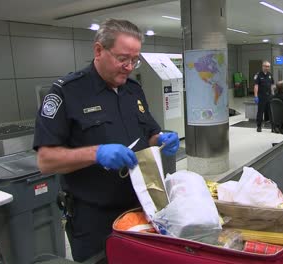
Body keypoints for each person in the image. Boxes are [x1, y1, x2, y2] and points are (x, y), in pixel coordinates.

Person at [33, 19, 180, 261]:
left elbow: (150, 134)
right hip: (93, 218)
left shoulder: (133, 90)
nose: (129, 67)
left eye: (135, 60)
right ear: (99, 50)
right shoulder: (67, 92)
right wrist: (96, 153)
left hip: (139, 207)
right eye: (123, 59)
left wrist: (161, 138)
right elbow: (45, 160)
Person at [254, 61, 274, 132]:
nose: (267, 68)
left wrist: (273, 94)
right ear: (262, 66)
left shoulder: (270, 75)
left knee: (271, 112)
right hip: (261, 96)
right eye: (266, 66)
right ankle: (259, 126)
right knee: (260, 112)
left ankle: (273, 127)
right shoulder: (258, 75)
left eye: (268, 66)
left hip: (269, 96)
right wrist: (256, 96)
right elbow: (256, 86)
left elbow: (272, 85)